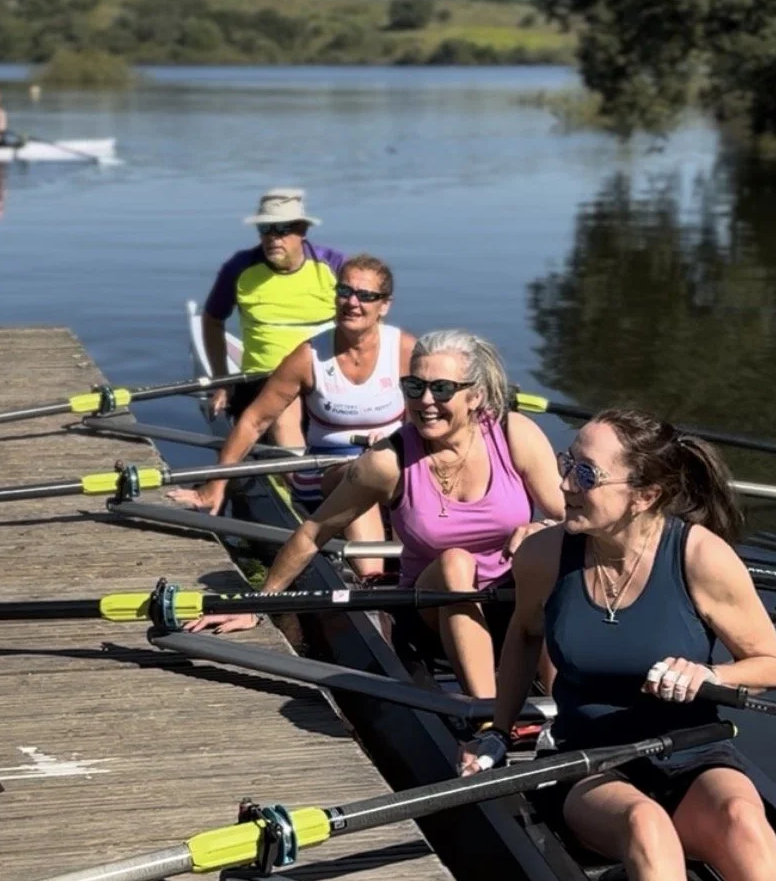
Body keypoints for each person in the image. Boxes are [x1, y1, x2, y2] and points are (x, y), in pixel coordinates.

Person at [488, 409, 776, 881]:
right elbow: (522, 634)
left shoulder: (699, 555)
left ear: (646, 494)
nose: (564, 482)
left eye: (585, 472)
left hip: (691, 750)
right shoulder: (545, 555)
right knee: (647, 827)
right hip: (592, 762)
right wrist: (494, 727)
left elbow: (772, 663)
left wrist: (711, 674)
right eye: (568, 463)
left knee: (747, 818)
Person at [190, 329, 563, 770]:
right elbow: (314, 531)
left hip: (511, 602)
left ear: (476, 396)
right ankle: (491, 725)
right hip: (432, 608)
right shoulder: (387, 461)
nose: (425, 400)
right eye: (414, 386)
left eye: (441, 389)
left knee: (556, 551)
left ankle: (566, 715)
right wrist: (260, 603)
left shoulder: (514, 434)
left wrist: (541, 526)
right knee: (456, 561)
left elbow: (573, 517)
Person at [170, 254, 413, 565]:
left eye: (366, 296)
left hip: (393, 466)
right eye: (345, 292)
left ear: (385, 305)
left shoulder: (405, 350)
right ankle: (373, 579)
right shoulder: (307, 356)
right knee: (361, 473)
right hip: (326, 470)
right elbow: (254, 422)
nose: (352, 302)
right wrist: (215, 485)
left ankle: (416, 562)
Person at [200, 189, 345, 448]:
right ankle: (301, 481)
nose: (273, 237)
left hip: (324, 377)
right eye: (266, 228)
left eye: (283, 228)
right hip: (261, 381)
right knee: (283, 412)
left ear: (302, 230)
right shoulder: (239, 268)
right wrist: (221, 382)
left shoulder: (333, 265)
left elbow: (366, 322)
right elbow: (212, 320)